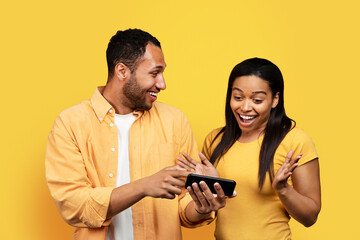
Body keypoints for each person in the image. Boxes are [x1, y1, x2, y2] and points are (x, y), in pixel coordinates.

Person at [45, 29, 227, 240]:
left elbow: (183, 206)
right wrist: (144, 186)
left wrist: (203, 205)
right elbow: (73, 205)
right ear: (122, 71)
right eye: (154, 73)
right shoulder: (70, 124)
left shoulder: (175, 121)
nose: (162, 84)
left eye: (162, 73)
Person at [177, 58, 321, 240]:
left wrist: (284, 189)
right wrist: (211, 186)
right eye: (237, 97)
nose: (245, 107)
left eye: (257, 100)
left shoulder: (295, 140)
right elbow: (205, 210)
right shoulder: (215, 140)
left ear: (275, 99)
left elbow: (310, 217)